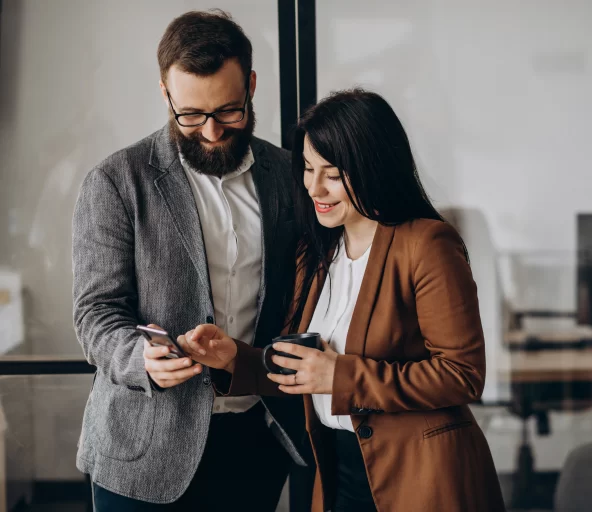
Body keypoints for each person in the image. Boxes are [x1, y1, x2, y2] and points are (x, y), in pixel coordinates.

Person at [180, 89, 506, 511]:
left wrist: (343, 377)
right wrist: (233, 360)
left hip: (424, 478)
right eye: (309, 168)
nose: (314, 187)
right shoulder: (316, 252)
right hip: (341, 473)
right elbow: (307, 372)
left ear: (372, 168)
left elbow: (462, 374)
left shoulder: (426, 244)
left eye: (332, 174)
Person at [72, 10, 307, 510]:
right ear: (165, 94)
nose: (212, 132)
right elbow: (96, 312)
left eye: (228, 111)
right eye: (191, 115)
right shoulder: (116, 182)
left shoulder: (291, 177)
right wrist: (140, 359)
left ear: (252, 86)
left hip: (255, 439)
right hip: (142, 448)